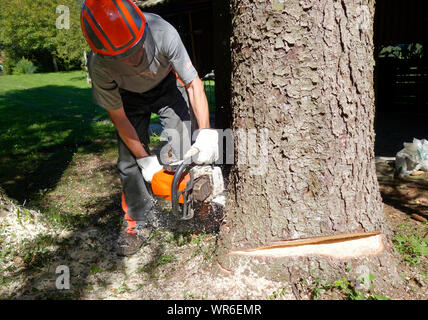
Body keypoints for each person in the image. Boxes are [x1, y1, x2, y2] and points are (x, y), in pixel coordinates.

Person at [80, 0, 219, 256]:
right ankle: (137, 222)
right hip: (127, 98)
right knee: (128, 163)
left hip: (167, 87)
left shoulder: (162, 31)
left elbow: (193, 84)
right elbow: (119, 118)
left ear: (142, 28)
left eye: (135, 49)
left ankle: (196, 209)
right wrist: (145, 160)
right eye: (122, 57)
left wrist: (207, 133)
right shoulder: (98, 65)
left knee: (184, 147)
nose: (133, 59)